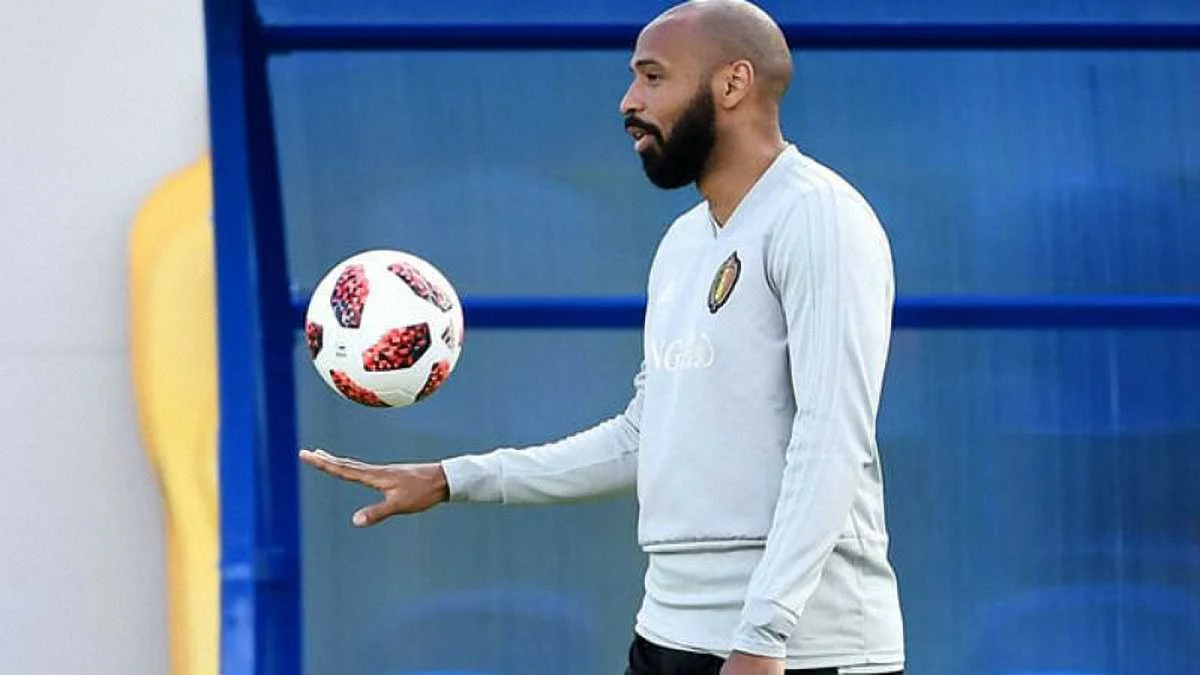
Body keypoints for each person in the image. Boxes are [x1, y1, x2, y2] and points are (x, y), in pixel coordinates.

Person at [299, 1, 905, 674]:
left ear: (733, 83)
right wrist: (451, 479)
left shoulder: (820, 218)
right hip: (669, 631)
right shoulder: (681, 245)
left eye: (653, 76)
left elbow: (831, 438)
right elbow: (642, 437)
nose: (628, 102)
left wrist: (764, 632)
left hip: (800, 648)